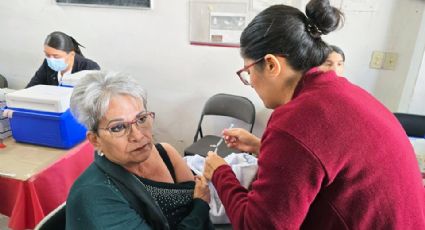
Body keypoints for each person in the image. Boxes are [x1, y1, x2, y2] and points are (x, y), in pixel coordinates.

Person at [203, 1, 425, 229]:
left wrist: (220, 173)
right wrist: (261, 147)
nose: (250, 83)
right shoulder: (345, 92)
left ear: (271, 65)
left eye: (248, 72)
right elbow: (323, 161)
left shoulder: (296, 120)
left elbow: (260, 225)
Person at [67, 71, 213, 229]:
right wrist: (201, 206)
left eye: (141, 119)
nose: (137, 135)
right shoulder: (94, 194)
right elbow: (199, 205)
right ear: (96, 140)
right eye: (118, 127)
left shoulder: (166, 154)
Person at [26, 31, 100, 88]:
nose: (51, 60)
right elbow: (30, 89)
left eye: (56, 56)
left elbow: (92, 102)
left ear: (71, 55)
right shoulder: (47, 64)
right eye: (47, 55)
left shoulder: (89, 67)